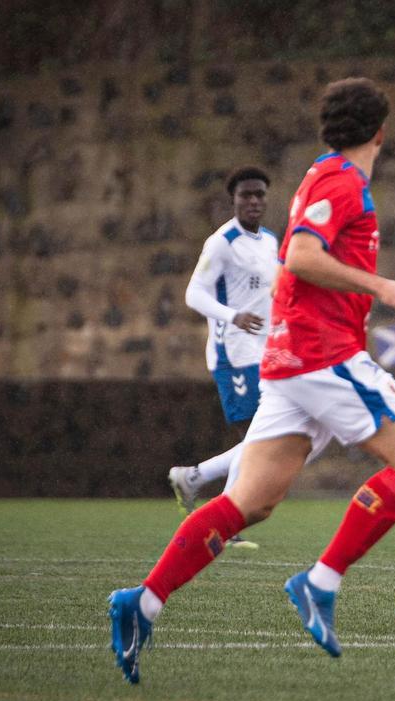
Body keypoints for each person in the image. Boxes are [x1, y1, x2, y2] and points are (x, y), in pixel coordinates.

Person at [108, 77, 395, 683]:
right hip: (323, 354)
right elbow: (303, 255)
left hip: (289, 363)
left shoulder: (321, 172)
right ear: (381, 133)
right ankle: (320, 582)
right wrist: (384, 285)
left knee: (249, 503)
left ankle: (143, 602)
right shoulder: (343, 181)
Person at [166, 166, 278, 550]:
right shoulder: (222, 242)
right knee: (260, 435)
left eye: (259, 194)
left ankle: (196, 481)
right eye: (246, 195)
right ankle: (221, 517)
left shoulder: (270, 242)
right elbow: (193, 294)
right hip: (234, 353)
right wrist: (233, 316)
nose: (253, 201)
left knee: (267, 435)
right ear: (233, 200)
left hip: (266, 354)